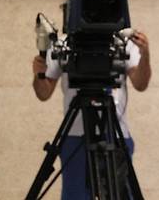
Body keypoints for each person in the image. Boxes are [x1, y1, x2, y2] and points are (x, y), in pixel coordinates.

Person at [31, 29, 152, 199]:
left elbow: (140, 84)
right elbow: (43, 93)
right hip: (75, 134)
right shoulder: (64, 44)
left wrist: (144, 54)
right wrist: (39, 74)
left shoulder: (124, 42)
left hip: (115, 135)